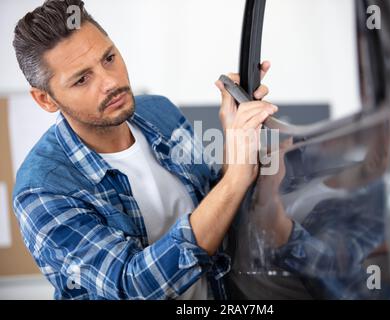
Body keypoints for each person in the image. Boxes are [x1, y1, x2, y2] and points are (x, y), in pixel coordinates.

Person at [11, 0, 279, 300]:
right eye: (82, 79)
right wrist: (235, 179)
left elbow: (215, 204)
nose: (110, 82)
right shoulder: (42, 191)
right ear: (45, 100)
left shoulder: (160, 113)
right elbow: (132, 286)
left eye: (109, 58)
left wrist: (234, 142)